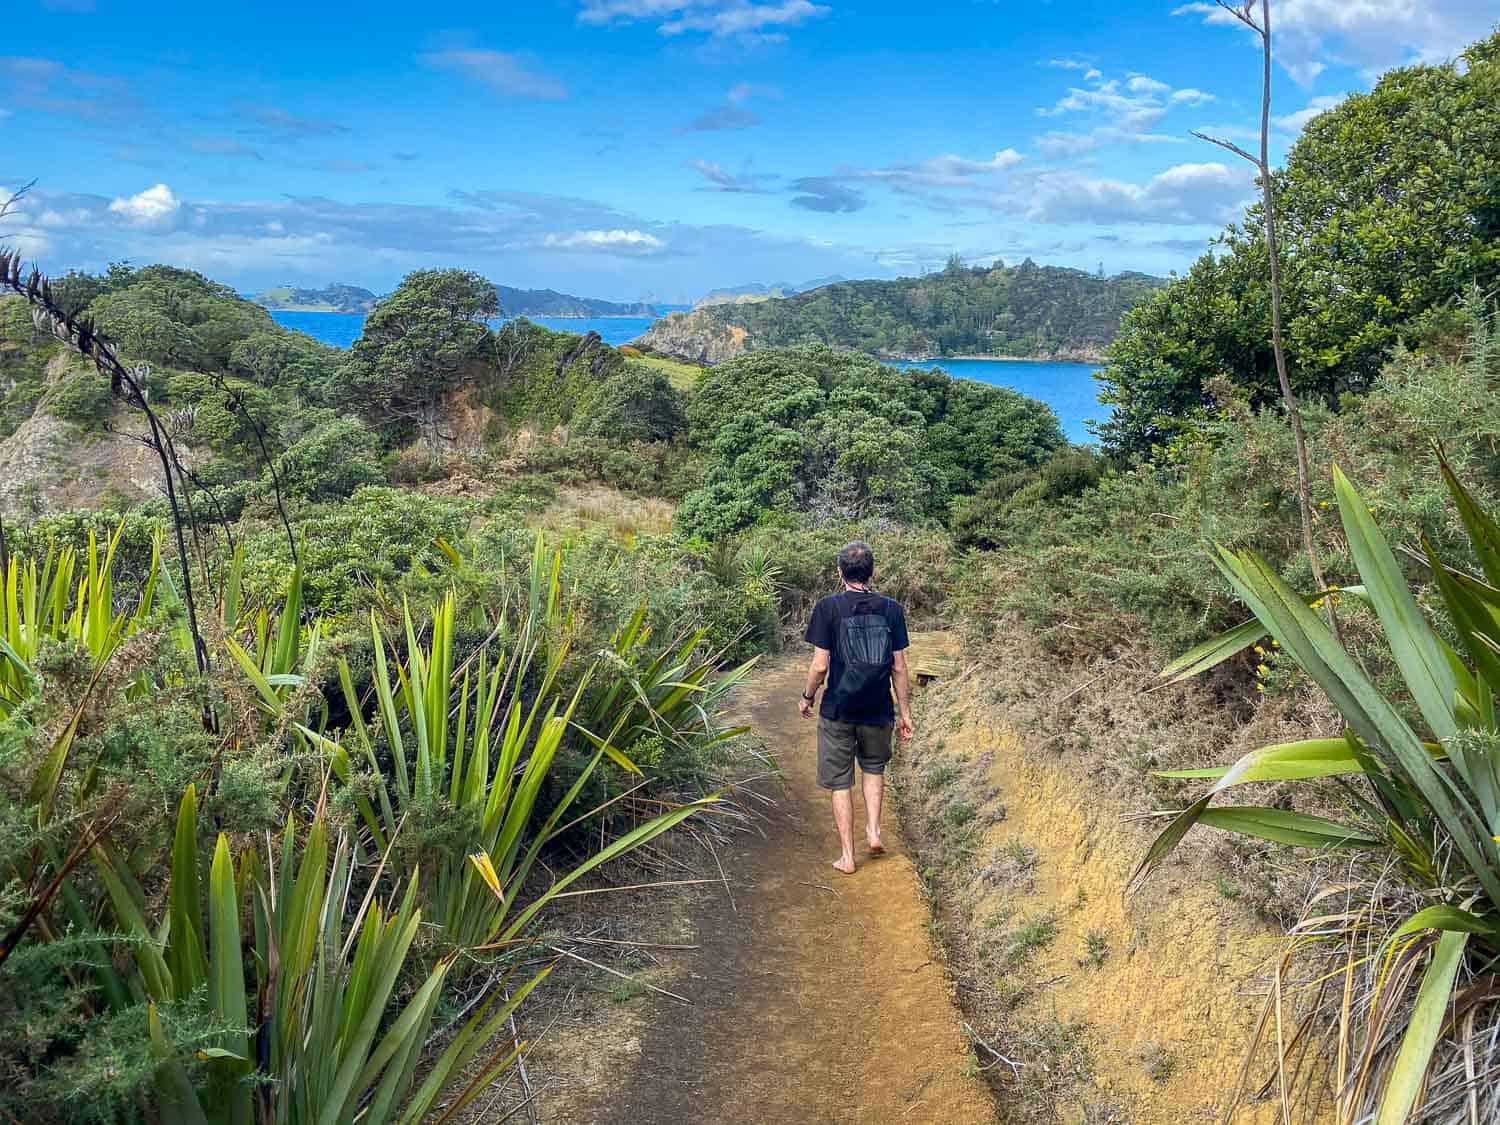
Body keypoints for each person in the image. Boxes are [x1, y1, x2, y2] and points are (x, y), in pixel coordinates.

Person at [798, 540, 913, 874]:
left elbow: (820, 665)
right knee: (874, 768)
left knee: (839, 782)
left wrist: (807, 697)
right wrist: (905, 713)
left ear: (839, 572)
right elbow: (900, 667)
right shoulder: (891, 608)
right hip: (878, 708)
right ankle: (874, 831)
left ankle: (848, 857)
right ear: (871, 571)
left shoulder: (828, 607)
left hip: (838, 709)